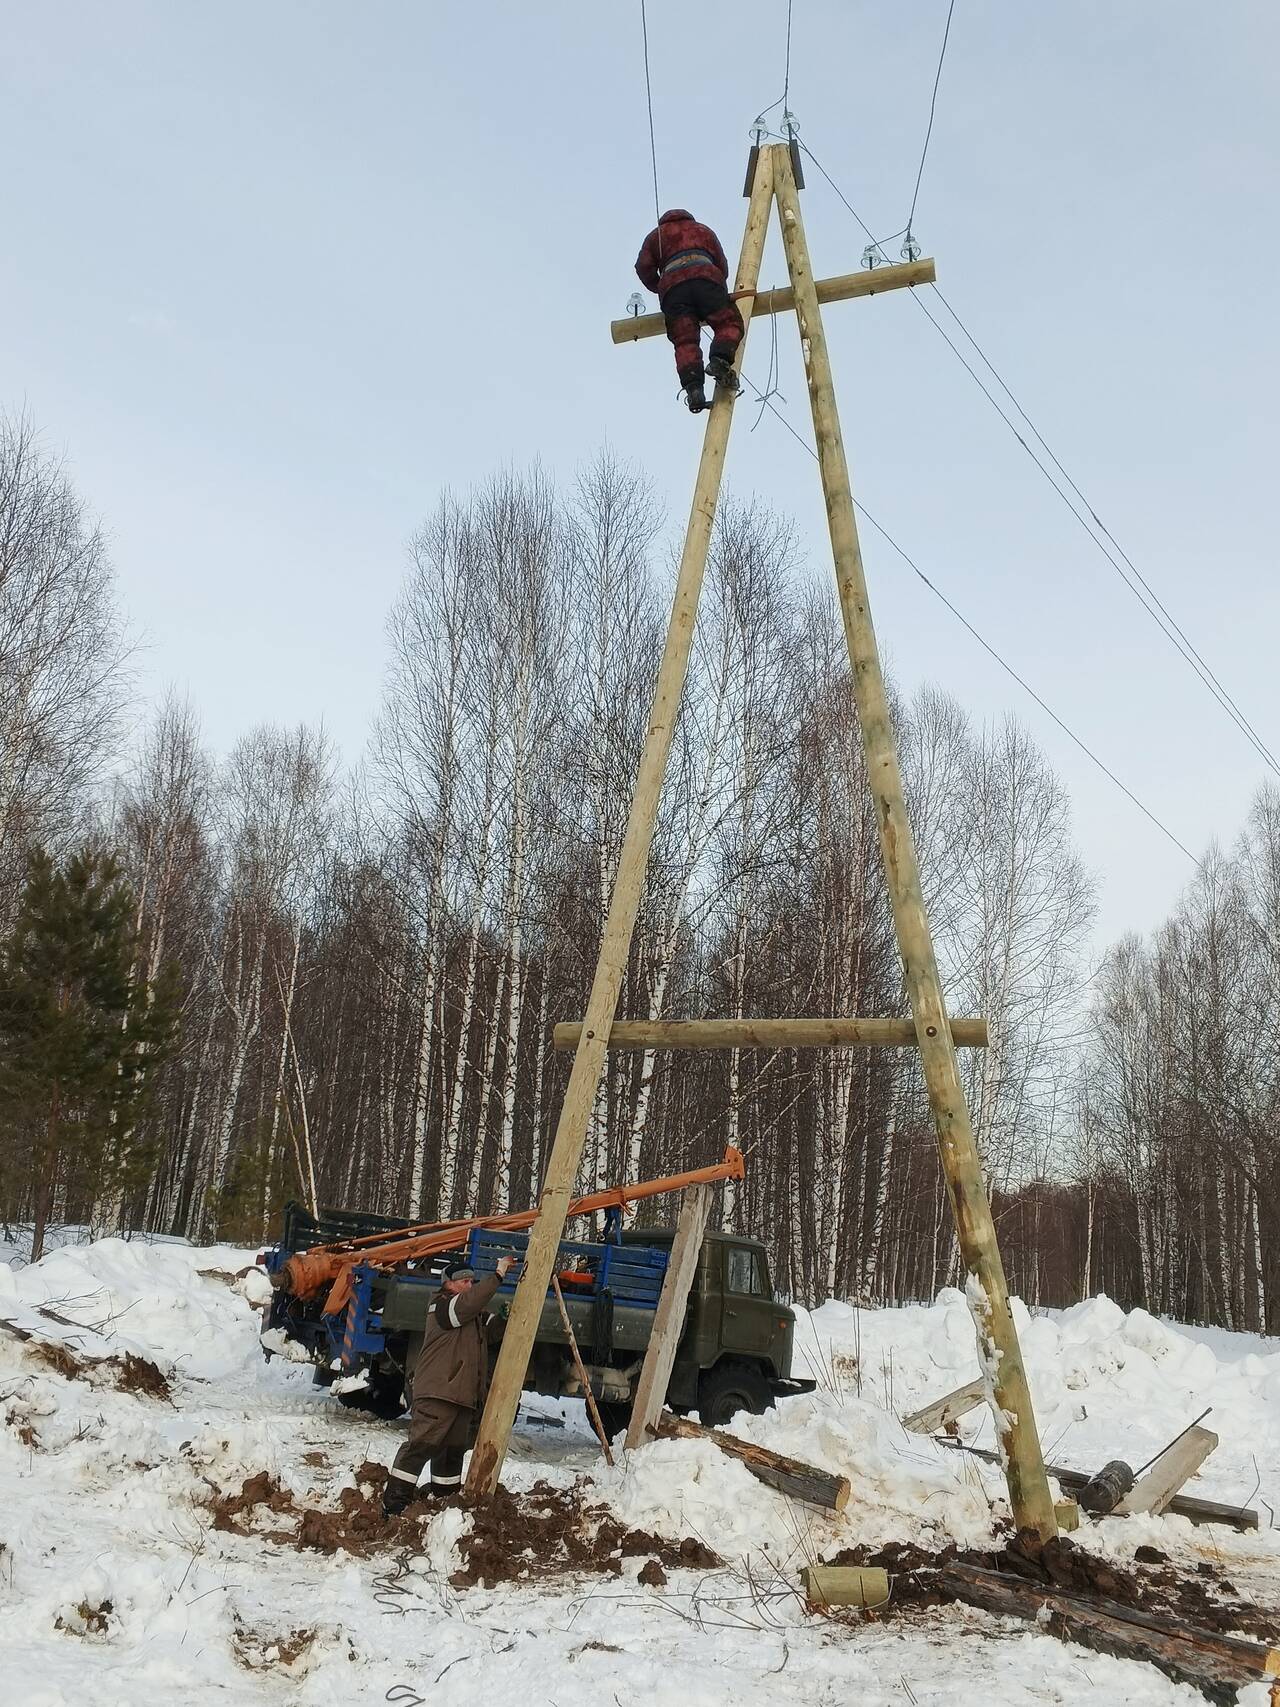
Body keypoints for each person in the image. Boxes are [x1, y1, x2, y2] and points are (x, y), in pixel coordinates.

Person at [381, 1252, 518, 1517]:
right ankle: (394, 1502)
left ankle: (444, 1499)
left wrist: (503, 1317)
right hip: (439, 1392)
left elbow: (489, 1332)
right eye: (463, 1282)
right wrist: (498, 1276)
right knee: (421, 1444)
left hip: (461, 1396)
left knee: (451, 1452)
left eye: (471, 1281)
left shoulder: (470, 1314)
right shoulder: (442, 1306)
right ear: (449, 1284)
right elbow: (468, 1304)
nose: (469, 1285)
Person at [635, 208, 744, 413]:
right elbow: (722, 265)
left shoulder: (655, 236)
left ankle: (694, 390)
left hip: (673, 291)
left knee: (685, 340)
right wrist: (715, 288)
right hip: (705, 277)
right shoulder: (702, 230)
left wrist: (661, 285)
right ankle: (720, 360)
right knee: (728, 322)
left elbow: (643, 267)